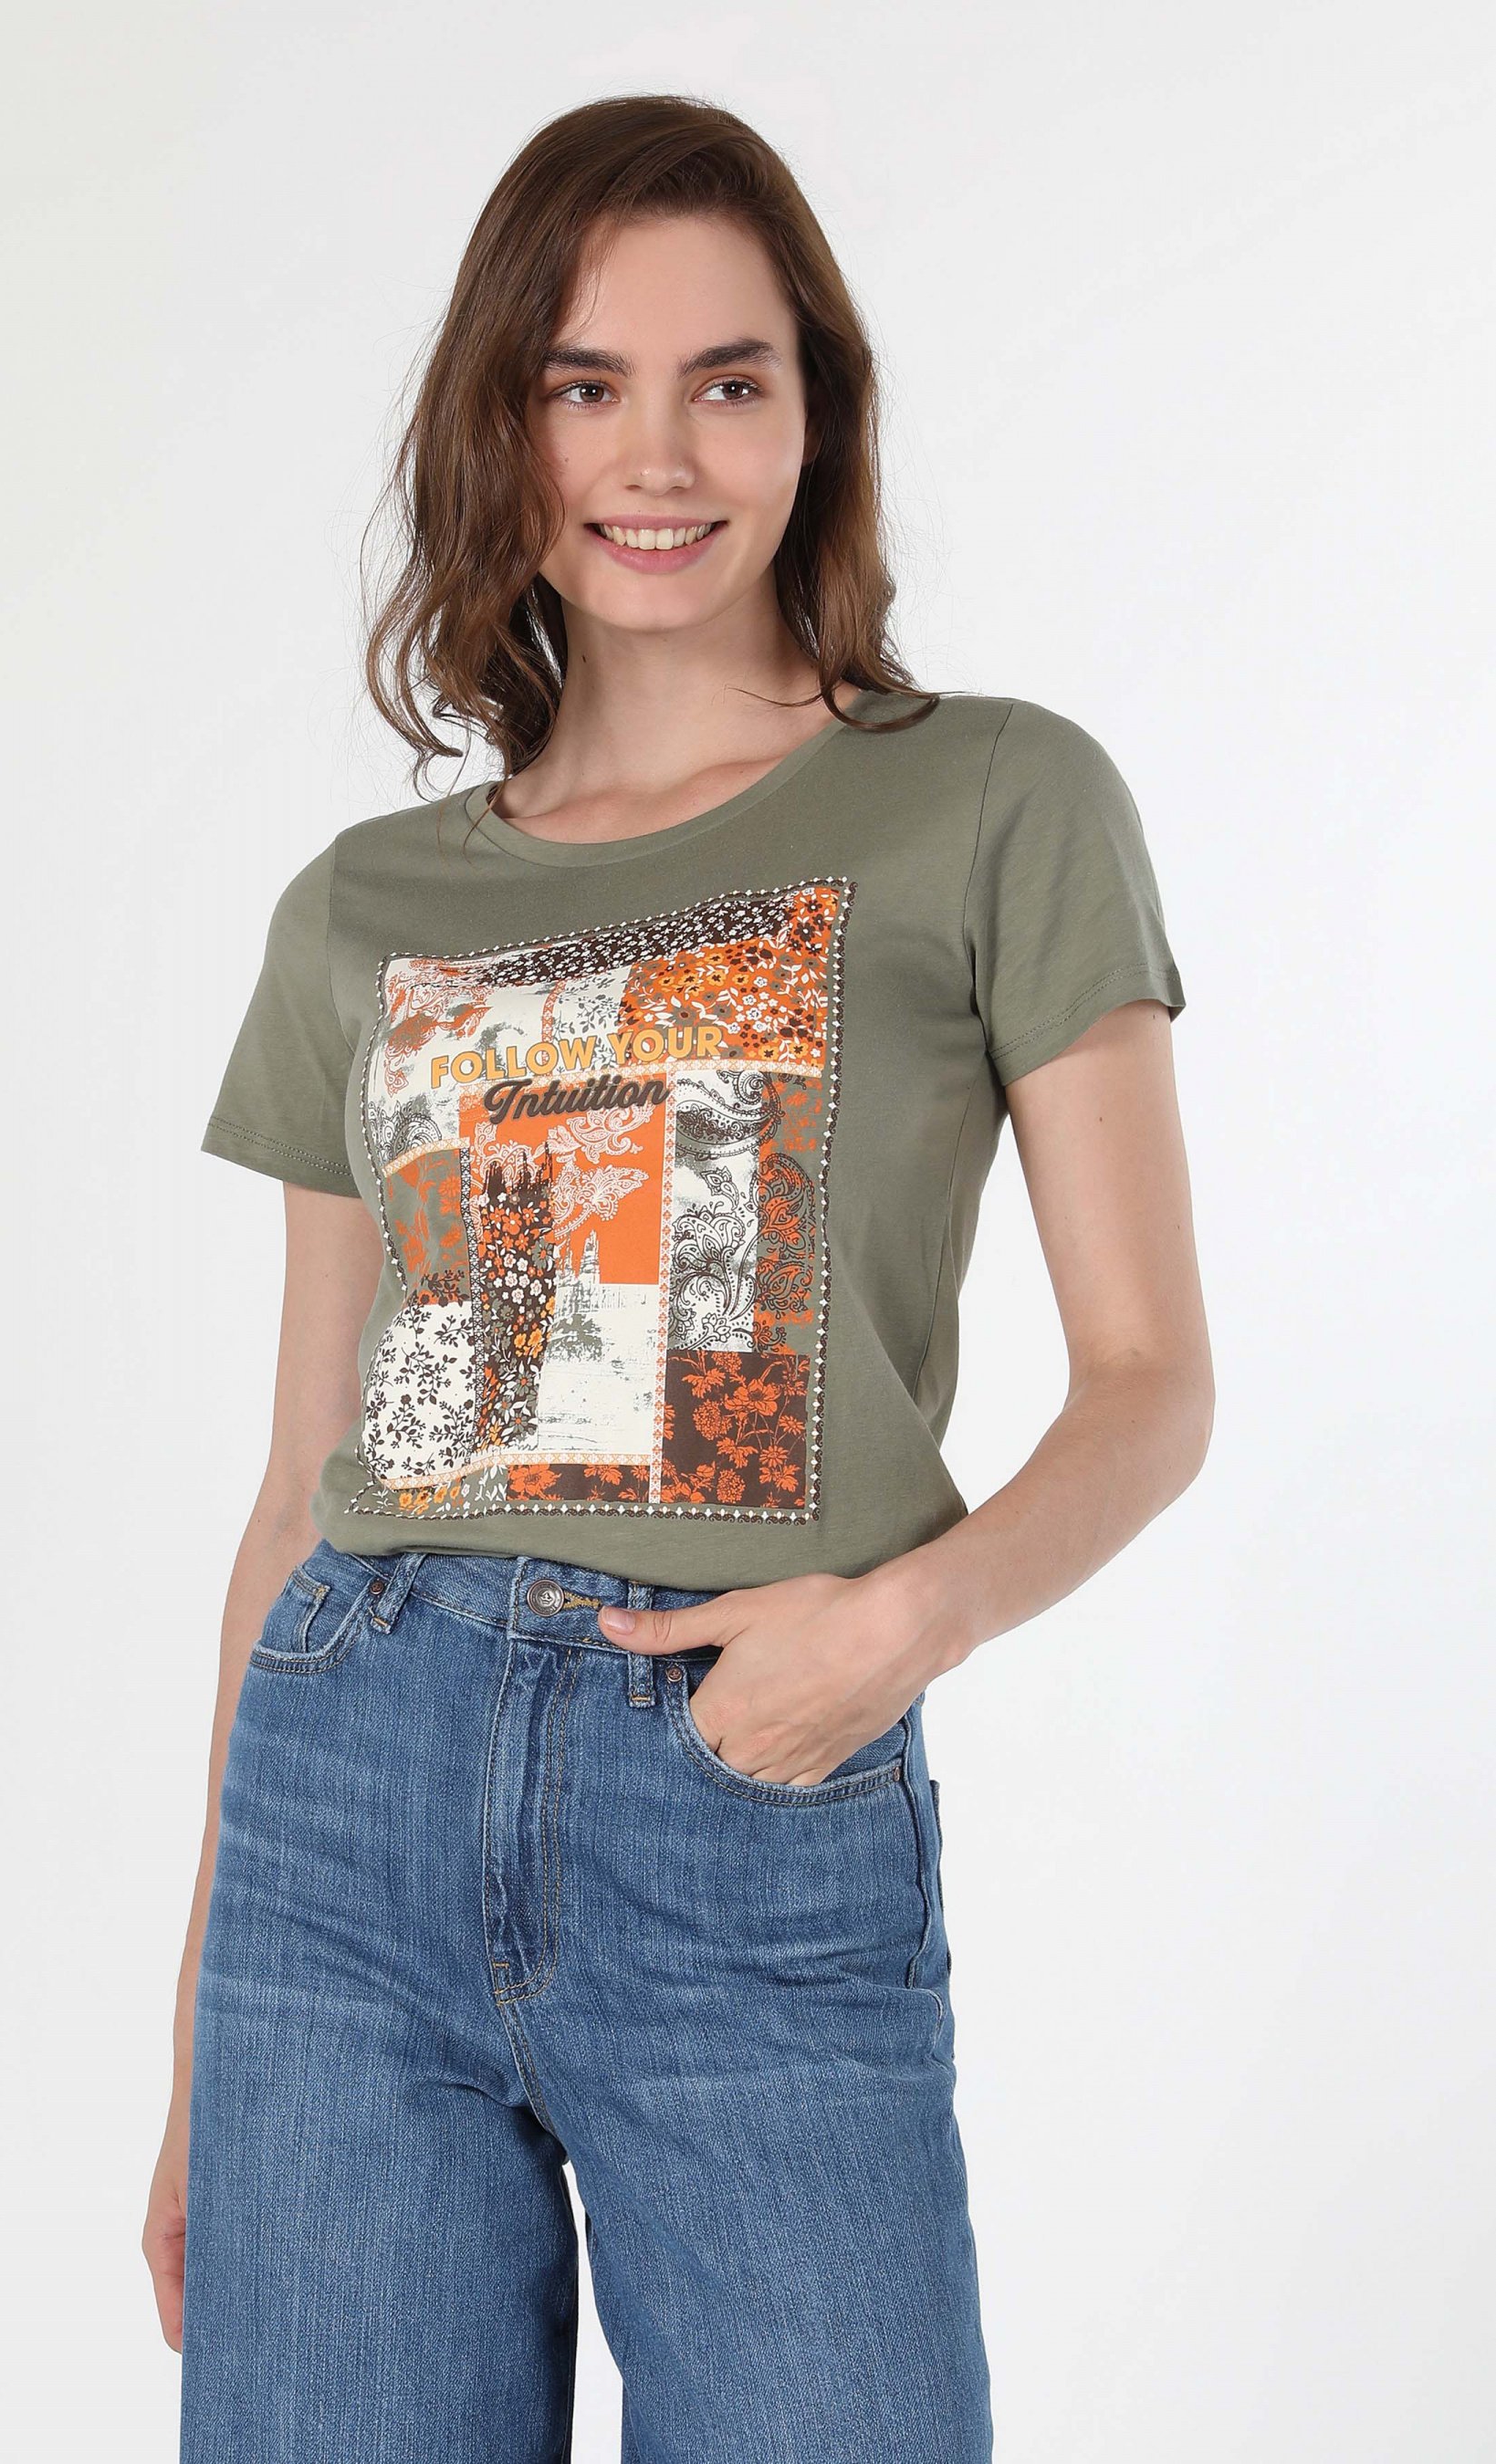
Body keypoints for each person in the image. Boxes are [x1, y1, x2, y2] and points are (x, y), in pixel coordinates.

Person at [148, 92, 1214, 2464]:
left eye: (728, 379)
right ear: (500, 427)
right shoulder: (358, 912)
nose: (658, 456)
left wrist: (896, 1628)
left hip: (751, 1790)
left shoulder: (994, 800)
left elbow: (1151, 1379)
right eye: (583, 383)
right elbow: (298, 1495)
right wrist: (204, 2031)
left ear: (814, 414)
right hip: (345, 1820)